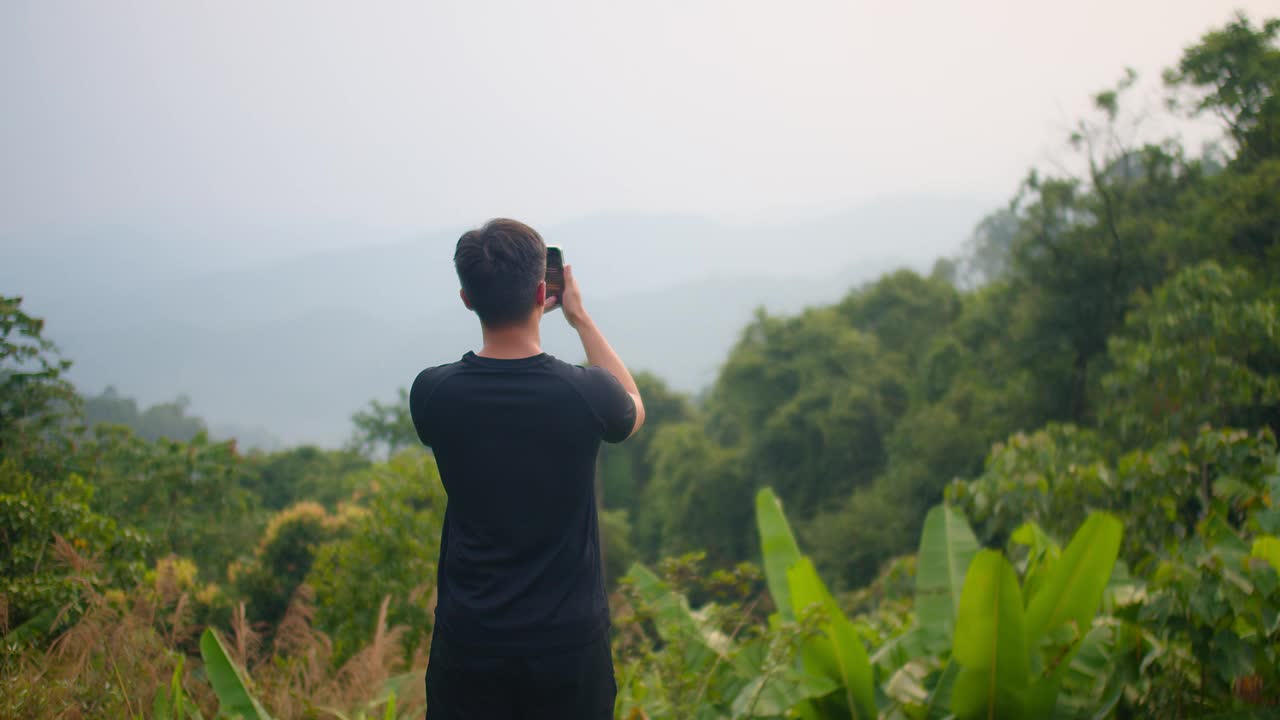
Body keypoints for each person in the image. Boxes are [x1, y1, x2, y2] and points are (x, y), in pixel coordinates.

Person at [409, 218, 646, 719]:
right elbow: (633, 406)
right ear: (544, 292)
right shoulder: (587, 395)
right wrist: (580, 318)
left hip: (469, 641)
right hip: (568, 647)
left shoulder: (433, 393)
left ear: (467, 299)